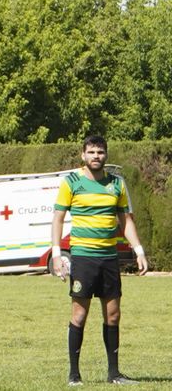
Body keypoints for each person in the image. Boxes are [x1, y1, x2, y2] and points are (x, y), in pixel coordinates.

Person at [50, 134, 148, 386]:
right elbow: (58, 219)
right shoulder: (71, 182)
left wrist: (138, 250)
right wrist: (57, 254)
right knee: (79, 314)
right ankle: (74, 375)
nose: (96, 156)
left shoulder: (117, 184)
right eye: (92, 152)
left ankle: (114, 374)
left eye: (100, 152)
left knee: (113, 315)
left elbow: (126, 221)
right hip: (83, 259)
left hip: (109, 259)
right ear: (83, 155)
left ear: (106, 155)